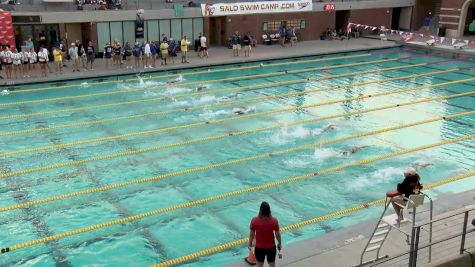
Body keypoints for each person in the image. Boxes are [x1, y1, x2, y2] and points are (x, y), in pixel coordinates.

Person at [249, 201, 282, 267]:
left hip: (259, 248)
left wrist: (250, 243)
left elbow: (252, 234)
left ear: (260, 210)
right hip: (271, 248)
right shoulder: (274, 221)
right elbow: (277, 234)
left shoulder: (254, 220)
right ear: (269, 210)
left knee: (259, 265)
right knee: (272, 265)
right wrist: (279, 243)